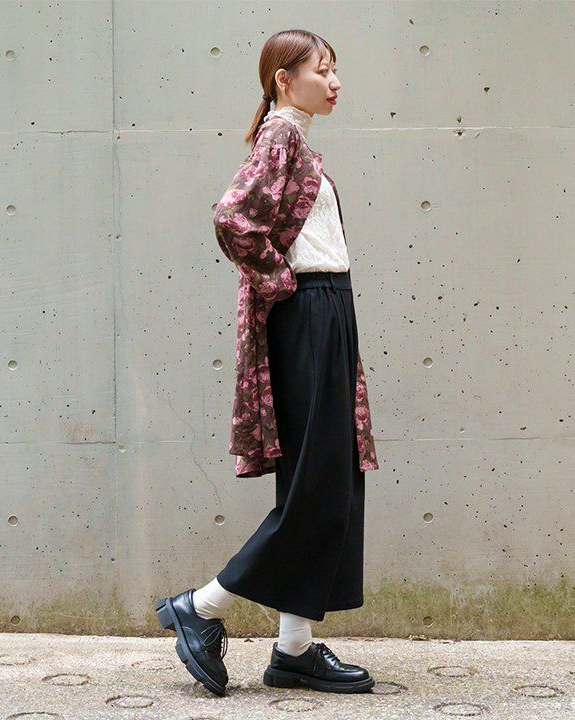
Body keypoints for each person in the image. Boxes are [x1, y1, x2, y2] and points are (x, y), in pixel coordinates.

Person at [154, 28, 380, 697]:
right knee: (321, 484)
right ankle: (200, 608)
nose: (334, 82)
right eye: (322, 69)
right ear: (284, 78)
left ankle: (294, 649)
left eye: (336, 69)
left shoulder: (294, 139)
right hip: (309, 309)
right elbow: (234, 219)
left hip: (326, 308)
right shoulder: (281, 136)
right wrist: (283, 284)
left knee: (322, 482)